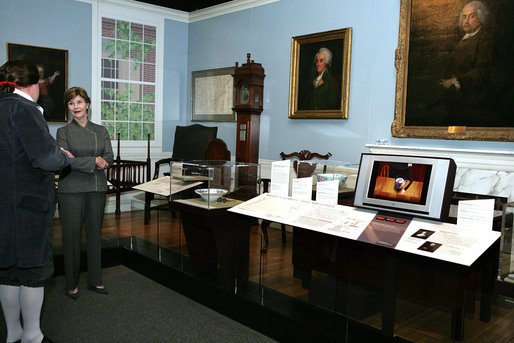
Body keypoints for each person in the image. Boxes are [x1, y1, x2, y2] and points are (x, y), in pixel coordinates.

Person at [0, 60, 70, 343]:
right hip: (26, 208)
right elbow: (45, 158)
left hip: (3, 206)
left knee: (6, 272)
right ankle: (32, 335)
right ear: (34, 86)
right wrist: (64, 156)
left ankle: (13, 332)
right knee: (32, 272)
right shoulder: (25, 110)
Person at [56, 87, 113, 300]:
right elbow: (64, 161)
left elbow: (109, 156)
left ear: (87, 104)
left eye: (79, 102)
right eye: (71, 103)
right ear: (68, 108)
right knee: (71, 238)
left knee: (94, 236)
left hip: (97, 188)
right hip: (70, 189)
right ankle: (71, 285)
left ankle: (95, 280)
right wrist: (92, 160)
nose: (76, 107)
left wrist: (78, 159)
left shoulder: (101, 130)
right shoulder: (63, 132)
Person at [438, 1, 494, 125]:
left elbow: (481, 74)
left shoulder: (485, 40)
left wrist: (454, 81)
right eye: (464, 17)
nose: (466, 21)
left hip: (476, 103)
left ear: (481, 18)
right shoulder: (463, 40)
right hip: (456, 101)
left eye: (472, 16)